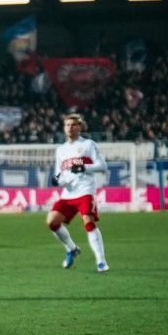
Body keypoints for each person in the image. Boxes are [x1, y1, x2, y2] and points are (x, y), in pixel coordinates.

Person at [47, 113, 110, 272]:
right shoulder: (61, 150)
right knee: (52, 222)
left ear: (80, 127)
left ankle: (101, 261)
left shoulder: (88, 145)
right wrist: (56, 180)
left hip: (85, 191)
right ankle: (72, 249)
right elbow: (59, 173)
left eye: (74, 125)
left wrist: (84, 167)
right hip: (68, 193)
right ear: (64, 128)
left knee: (88, 221)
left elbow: (103, 166)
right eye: (67, 125)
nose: (70, 128)